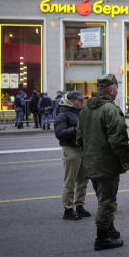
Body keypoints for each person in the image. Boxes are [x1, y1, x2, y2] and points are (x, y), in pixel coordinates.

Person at [77, 74, 129, 251]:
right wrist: (126, 158)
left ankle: (110, 229)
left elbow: (79, 137)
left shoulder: (86, 109)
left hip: (91, 162)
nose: (117, 91)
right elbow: (119, 139)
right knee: (107, 201)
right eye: (116, 88)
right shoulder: (110, 109)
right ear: (111, 89)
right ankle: (102, 238)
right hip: (107, 164)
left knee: (102, 197)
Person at [55, 90, 90, 221]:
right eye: (79, 99)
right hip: (71, 149)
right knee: (69, 182)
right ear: (71, 101)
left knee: (83, 180)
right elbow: (59, 133)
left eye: (83, 99)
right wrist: (77, 129)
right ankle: (68, 209)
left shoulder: (81, 111)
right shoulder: (63, 114)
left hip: (83, 149)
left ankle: (80, 206)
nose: (82, 101)